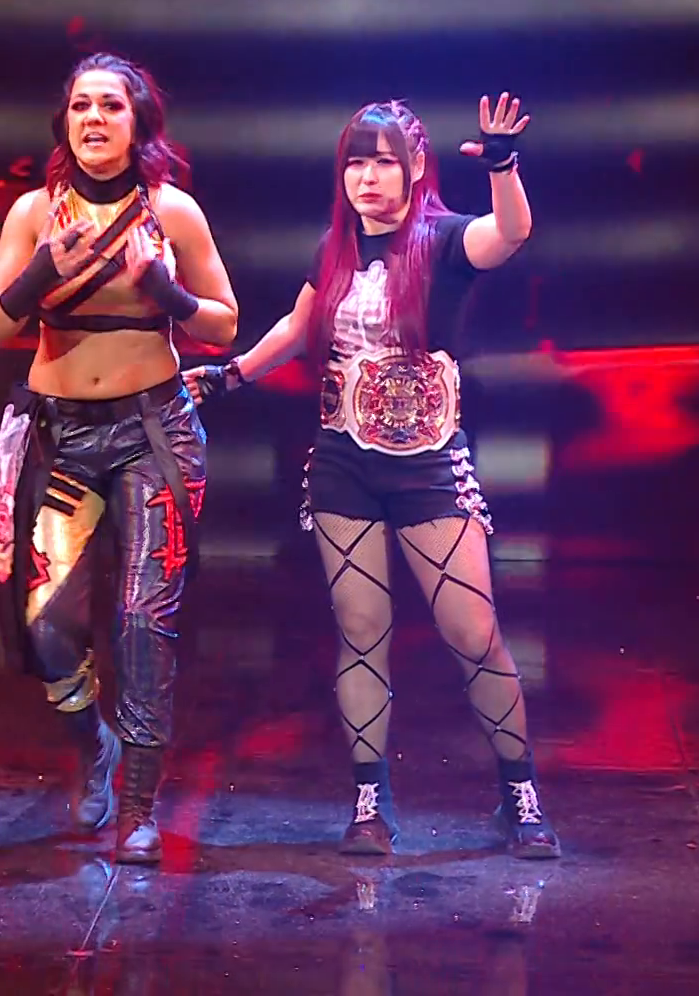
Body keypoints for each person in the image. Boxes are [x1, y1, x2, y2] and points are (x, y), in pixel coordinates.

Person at [183, 94, 560, 860]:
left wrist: (502, 165)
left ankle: (519, 795)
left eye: (384, 162)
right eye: (356, 162)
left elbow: (511, 233)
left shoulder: (446, 239)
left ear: (416, 167)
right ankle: (368, 800)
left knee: (473, 632)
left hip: (429, 464)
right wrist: (232, 375)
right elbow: (299, 325)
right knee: (361, 634)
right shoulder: (336, 246)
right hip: (344, 463)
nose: (367, 177)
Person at [0, 52, 239, 865]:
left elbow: (224, 324)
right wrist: (38, 275)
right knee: (48, 627)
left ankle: (138, 810)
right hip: (60, 436)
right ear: (65, 121)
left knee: (141, 621)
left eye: (111, 106)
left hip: (152, 433)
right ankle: (97, 745)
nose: (95, 118)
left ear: (137, 122)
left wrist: (166, 292)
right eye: (82, 105)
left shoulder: (172, 211)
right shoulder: (35, 213)